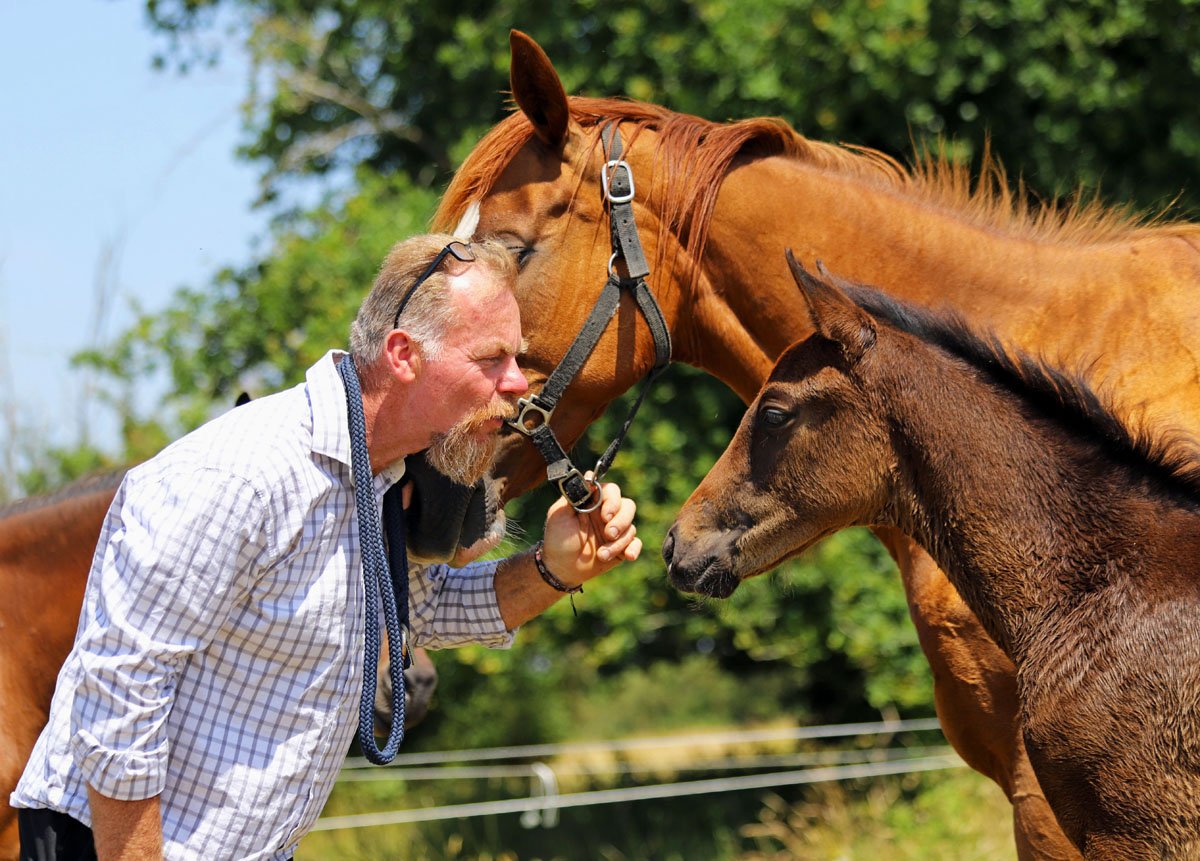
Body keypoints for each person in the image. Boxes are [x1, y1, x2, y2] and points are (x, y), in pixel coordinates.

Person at [11, 234, 642, 861]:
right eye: (491, 359)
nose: (517, 384)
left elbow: (419, 611)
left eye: (516, 358)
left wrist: (555, 568)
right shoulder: (236, 476)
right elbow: (121, 688)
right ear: (403, 355)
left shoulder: (382, 476)